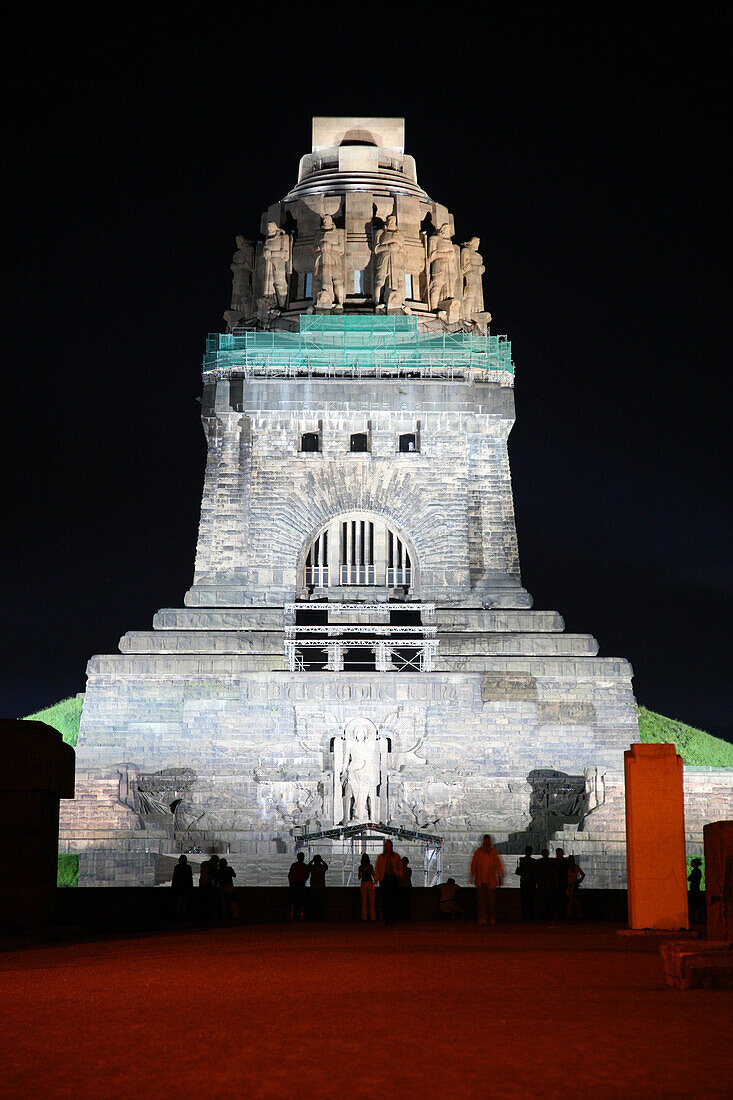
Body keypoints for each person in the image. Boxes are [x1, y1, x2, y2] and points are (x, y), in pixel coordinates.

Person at [470, 835, 504, 925]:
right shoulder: (479, 852)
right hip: (481, 880)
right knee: (481, 901)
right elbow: (474, 864)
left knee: (491, 901)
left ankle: (492, 917)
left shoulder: (493, 853)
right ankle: (482, 917)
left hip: (491, 880)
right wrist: (472, 874)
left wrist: (500, 876)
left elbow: (498, 865)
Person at [374, 839, 402, 924]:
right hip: (384, 879)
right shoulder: (381, 857)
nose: (387, 847)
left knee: (394, 899)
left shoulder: (396, 856)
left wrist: (399, 874)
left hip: (393, 878)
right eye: (386, 846)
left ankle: (393, 918)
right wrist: (376, 879)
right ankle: (386, 919)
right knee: (385, 900)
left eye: (389, 845)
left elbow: (400, 867)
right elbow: (377, 868)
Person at [515, 846, 536, 920]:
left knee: (525, 900)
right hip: (531, 882)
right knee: (531, 900)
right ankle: (531, 915)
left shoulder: (521, 860)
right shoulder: (534, 861)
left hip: (524, 882)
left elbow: (517, 872)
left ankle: (525, 915)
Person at [171, 854, 193, 922]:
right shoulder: (187, 868)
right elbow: (190, 879)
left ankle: (180, 917)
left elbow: (174, 878)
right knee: (183, 904)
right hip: (184, 888)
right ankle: (183, 917)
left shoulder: (177, 867)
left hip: (180, 888)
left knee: (180, 903)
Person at [288, 851, 310, 920]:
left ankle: (292, 915)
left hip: (294, 885)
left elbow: (290, 875)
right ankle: (301, 915)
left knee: (294, 901)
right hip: (301, 884)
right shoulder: (304, 866)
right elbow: (307, 875)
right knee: (301, 901)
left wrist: (291, 883)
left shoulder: (294, 865)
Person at [535, 849, 555, 920]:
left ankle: (542, 915)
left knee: (542, 901)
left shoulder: (538, 862)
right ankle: (549, 915)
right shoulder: (552, 862)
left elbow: (536, 874)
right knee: (549, 901)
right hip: (550, 884)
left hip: (542, 884)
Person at [308, 853, 328, 920]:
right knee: (321, 903)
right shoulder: (322, 867)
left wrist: (312, 861)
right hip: (321, 885)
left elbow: (308, 867)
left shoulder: (313, 867)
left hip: (313, 886)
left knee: (313, 903)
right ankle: (321, 916)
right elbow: (326, 866)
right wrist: (322, 860)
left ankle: (313, 916)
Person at [565, 855, 586, 919]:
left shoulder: (575, 867)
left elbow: (583, 874)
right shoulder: (567, 867)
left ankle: (576, 915)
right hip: (569, 885)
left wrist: (579, 881)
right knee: (570, 901)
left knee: (575, 901)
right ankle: (571, 914)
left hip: (573, 885)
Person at [358, 852, 376, 921]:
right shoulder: (370, 866)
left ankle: (364, 917)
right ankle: (373, 917)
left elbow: (359, 877)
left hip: (364, 883)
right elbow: (374, 875)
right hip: (370, 883)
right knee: (372, 901)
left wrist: (363, 874)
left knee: (364, 901)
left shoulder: (360, 867)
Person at [688, 858, 704, 924]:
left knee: (694, 905)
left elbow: (689, 878)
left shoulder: (695, 871)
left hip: (694, 890)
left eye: (692, 862)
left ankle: (695, 920)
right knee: (696, 905)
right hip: (696, 889)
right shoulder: (698, 871)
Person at [554, 848, 568, 920]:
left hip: (559, 884)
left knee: (560, 901)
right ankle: (562, 915)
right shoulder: (565, 862)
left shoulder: (555, 862)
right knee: (561, 901)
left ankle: (560, 915)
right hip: (562, 884)